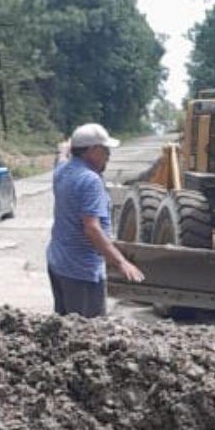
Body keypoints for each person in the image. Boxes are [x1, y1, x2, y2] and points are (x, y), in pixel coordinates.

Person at [46, 123, 145, 316]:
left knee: (64, 328)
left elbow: (61, 157)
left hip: (58, 265)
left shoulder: (62, 171)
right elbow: (91, 228)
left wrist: (65, 148)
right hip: (81, 273)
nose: (109, 155)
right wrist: (120, 262)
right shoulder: (89, 180)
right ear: (91, 151)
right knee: (89, 334)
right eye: (105, 150)